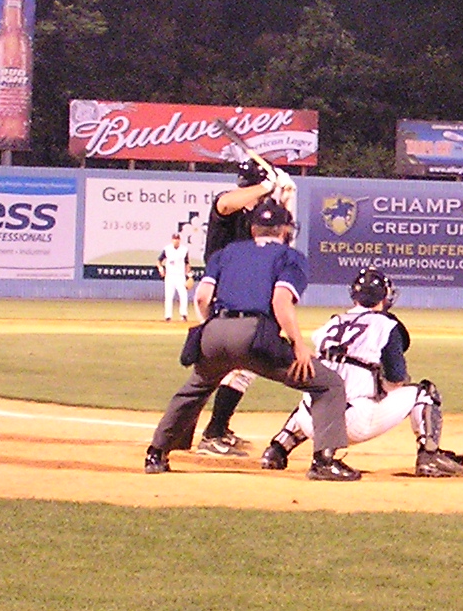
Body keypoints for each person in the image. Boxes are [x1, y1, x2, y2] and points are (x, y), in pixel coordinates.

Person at [145, 197, 361, 481]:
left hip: (214, 331)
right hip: (254, 335)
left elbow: (201, 297)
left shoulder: (227, 253)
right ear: (286, 230)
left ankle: (156, 453)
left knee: (196, 388)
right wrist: (298, 344)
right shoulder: (290, 257)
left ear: (252, 229)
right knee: (328, 383)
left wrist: (213, 328)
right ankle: (323, 462)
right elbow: (280, 300)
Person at [258, 267, 463, 478]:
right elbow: (396, 379)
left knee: (316, 395)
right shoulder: (385, 325)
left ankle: (277, 448)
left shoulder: (332, 323)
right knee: (425, 392)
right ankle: (429, 456)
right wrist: (380, 387)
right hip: (353, 422)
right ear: (385, 297)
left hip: (310, 422)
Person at [194, 156, 296, 456]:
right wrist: (267, 184)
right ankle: (212, 434)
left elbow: (282, 242)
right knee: (237, 365)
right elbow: (224, 204)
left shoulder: (261, 216)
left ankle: (214, 429)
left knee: (229, 367)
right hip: (221, 294)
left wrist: (287, 199)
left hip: (245, 296)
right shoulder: (231, 207)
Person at [158, 232, 192, 322]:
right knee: (169, 296)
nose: (176, 241)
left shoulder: (184, 249)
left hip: (180, 276)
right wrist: (161, 269)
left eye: (177, 239)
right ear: (172, 240)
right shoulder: (167, 249)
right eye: (174, 239)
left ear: (179, 240)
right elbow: (159, 261)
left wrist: (189, 275)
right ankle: (168, 316)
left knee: (183, 295)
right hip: (170, 276)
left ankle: (183, 314)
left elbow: (187, 263)